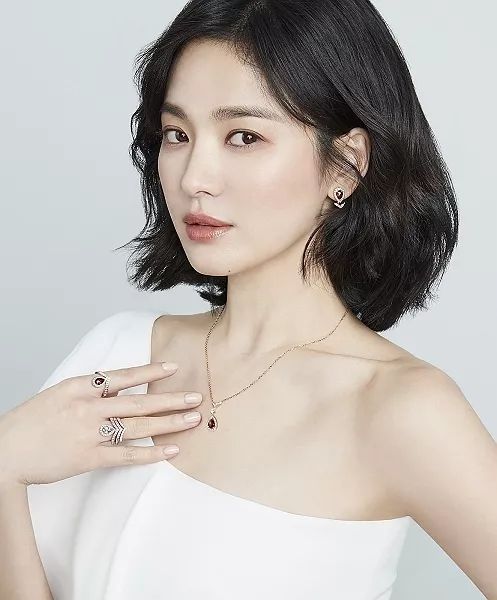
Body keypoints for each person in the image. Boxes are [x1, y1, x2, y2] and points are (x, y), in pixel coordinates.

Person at [1, 0, 496, 598]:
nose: (193, 177)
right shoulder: (116, 354)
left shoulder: (399, 408)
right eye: (177, 134)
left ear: (346, 164)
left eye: (244, 136)